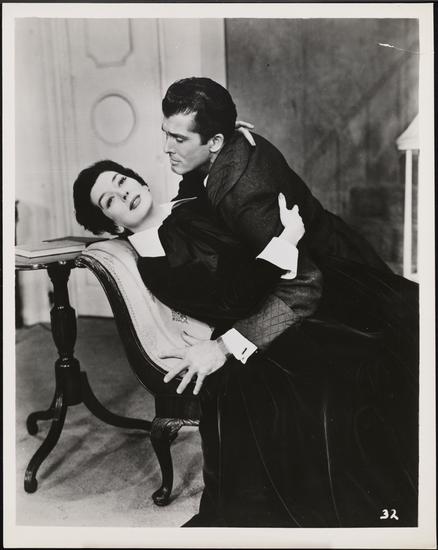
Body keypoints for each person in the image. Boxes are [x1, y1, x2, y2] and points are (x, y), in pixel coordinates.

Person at [153, 77, 418, 527]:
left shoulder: (246, 198)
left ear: (215, 142)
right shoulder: (233, 140)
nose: (167, 148)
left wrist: (225, 347)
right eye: (166, 134)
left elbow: (303, 287)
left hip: (330, 280)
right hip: (320, 258)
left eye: (179, 139)